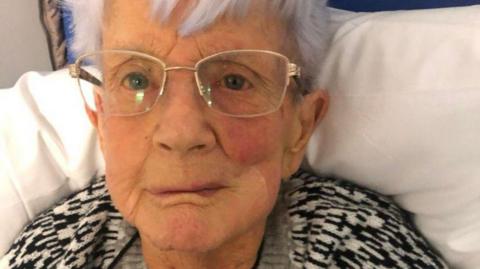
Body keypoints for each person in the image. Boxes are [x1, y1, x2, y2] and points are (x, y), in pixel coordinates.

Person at [3, 0, 448, 268]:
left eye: (234, 80)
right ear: (100, 122)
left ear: (300, 127)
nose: (181, 133)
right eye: (137, 80)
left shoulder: (360, 246)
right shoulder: (56, 250)